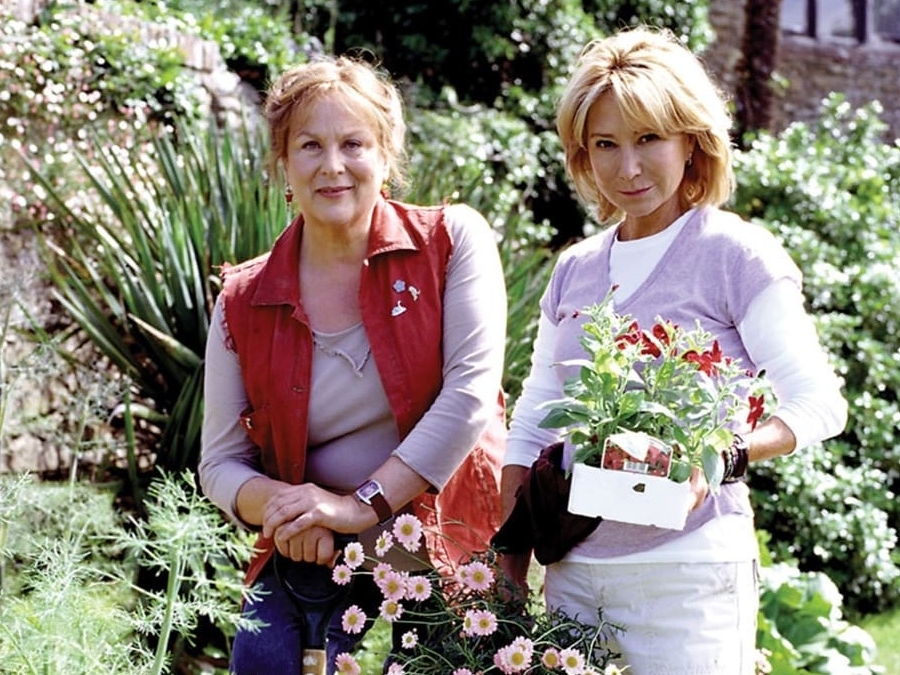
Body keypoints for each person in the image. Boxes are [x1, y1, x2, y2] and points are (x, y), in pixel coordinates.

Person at [497, 26, 848, 675]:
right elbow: (529, 425)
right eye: (606, 144)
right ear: (583, 154)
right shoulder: (574, 271)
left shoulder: (734, 255)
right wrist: (509, 569)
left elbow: (821, 403)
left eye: (649, 139)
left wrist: (723, 451)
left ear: (692, 139)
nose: (627, 168)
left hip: (689, 574)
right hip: (573, 573)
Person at [198, 54, 508, 675]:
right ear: (283, 165)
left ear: (386, 154)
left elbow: (471, 396)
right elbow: (220, 463)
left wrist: (358, 506)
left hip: (449, 542)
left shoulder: (452, 243)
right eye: (310, 145)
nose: (332, 165)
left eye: (354, 143)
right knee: (263, 660)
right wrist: (291, 507)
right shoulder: (242, 299)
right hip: (315, 547)